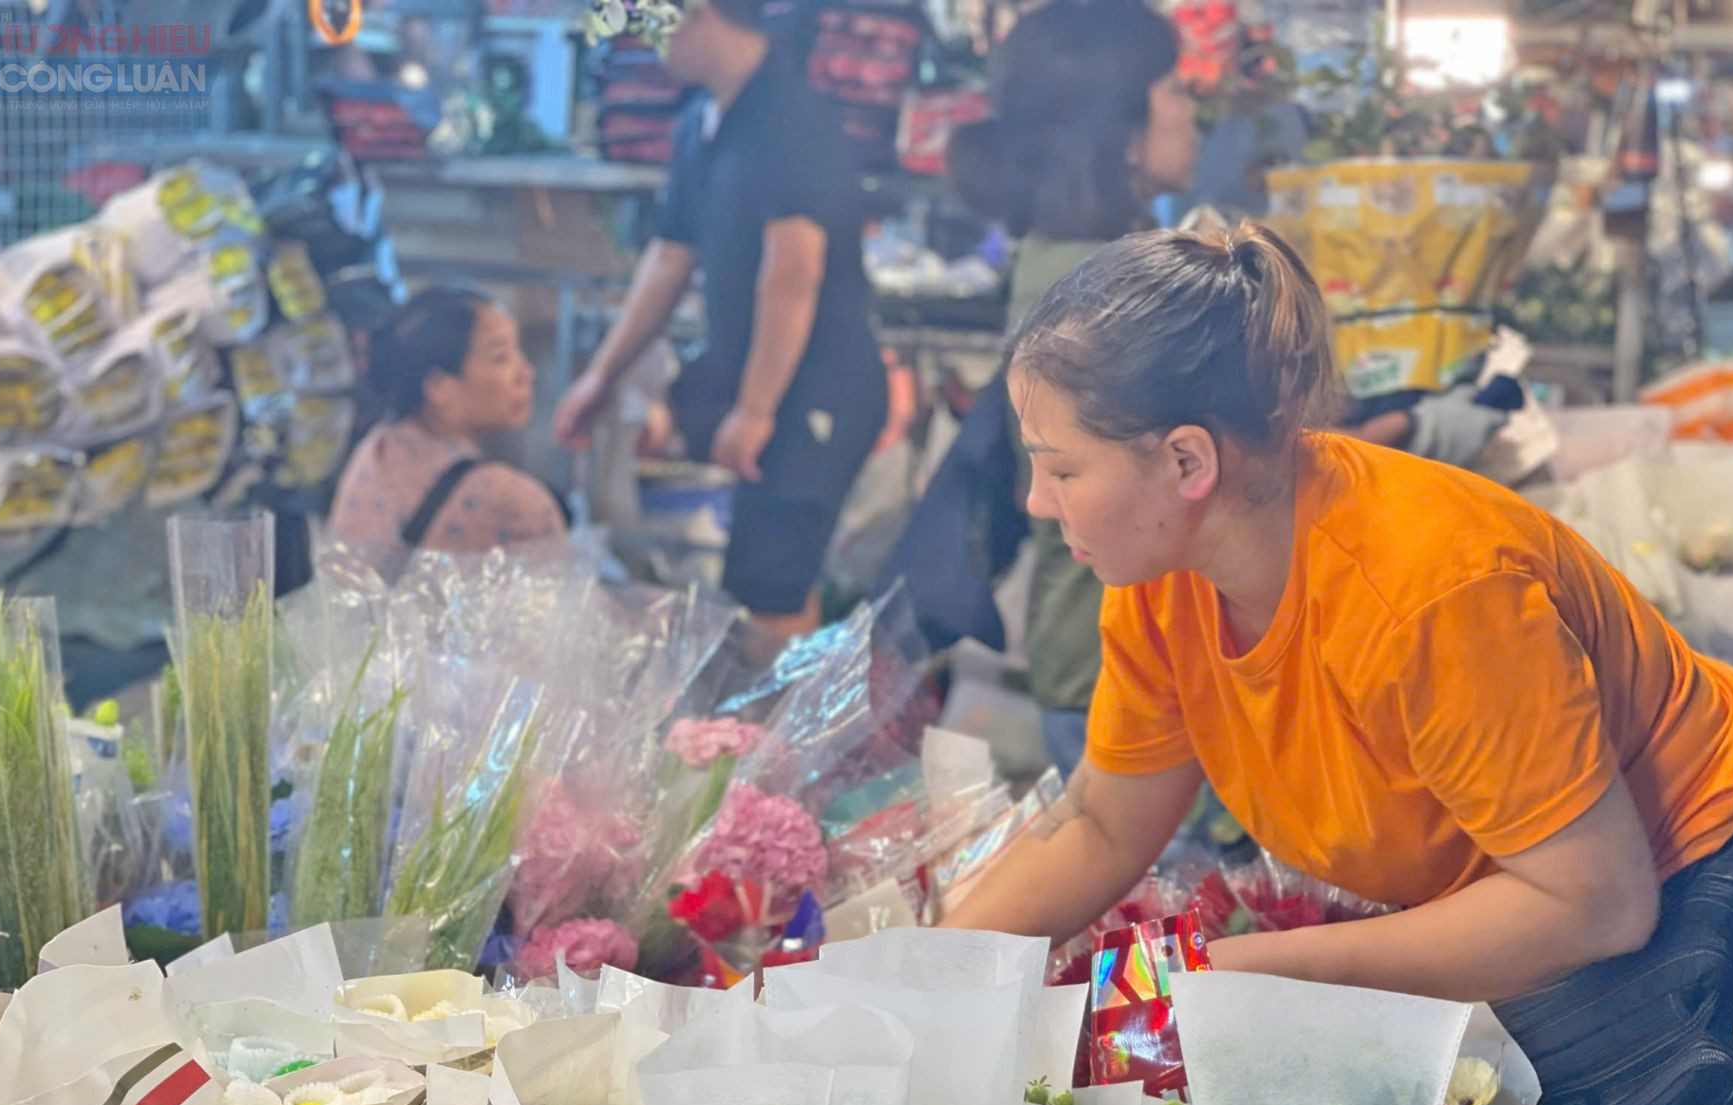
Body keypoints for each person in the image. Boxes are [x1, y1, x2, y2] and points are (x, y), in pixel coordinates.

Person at [943, 224, 1733, 1105]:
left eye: (1059, 468)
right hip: (1556, 930)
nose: (1034, 501)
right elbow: (1101, 822)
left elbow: (1593, 901)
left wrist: (1259, 974)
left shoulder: (1425, 589)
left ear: (1185, 461)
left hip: (1715, 936)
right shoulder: (1163, 587)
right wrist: (917, 981)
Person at [553, 0, 885, 652]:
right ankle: (759, 741)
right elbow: (668, 257)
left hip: (820, 388)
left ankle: (764, 745)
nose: (645, 45)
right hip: (765, 384)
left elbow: (794, 271)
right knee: (766, 574)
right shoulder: (699, 123)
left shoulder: (791, 116)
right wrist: (601, 375)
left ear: (698, 12)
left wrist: (756, 409)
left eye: (650, 23)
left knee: (770, 582)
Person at [944, 0, 1198, 774]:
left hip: (1100, 659)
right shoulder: (1105, 285)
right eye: (1177, 91)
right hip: (1119, 673)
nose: (1193, 115)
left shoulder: (1068, 259)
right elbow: (1183, 474)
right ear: (1119, 122)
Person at [327, 287, 565, 578]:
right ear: (439, 387)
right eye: (501, 357)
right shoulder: (512, 501)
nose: (526, 372)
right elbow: (564, 608)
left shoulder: (371, 454)